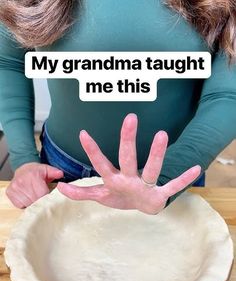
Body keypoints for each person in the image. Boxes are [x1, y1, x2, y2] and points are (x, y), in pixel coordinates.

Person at [0, 0, 235, 214]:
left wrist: (166, 178)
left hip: (173, 173)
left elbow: (227, 94)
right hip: (62, 168)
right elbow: (9, 62)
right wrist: (24, 160)